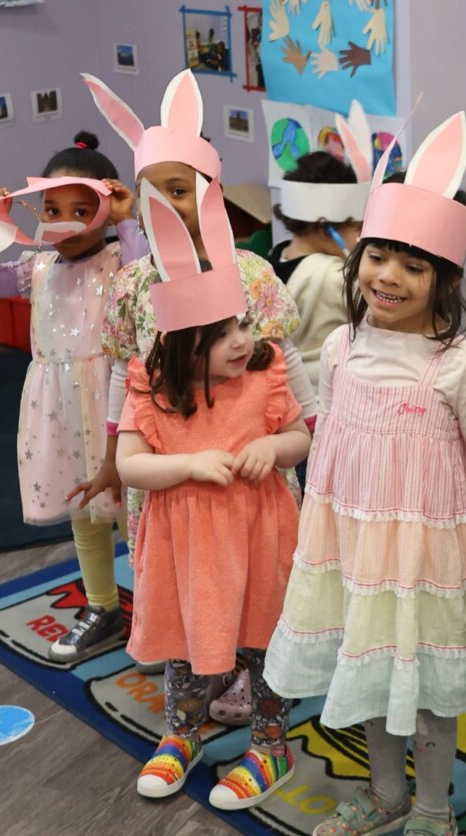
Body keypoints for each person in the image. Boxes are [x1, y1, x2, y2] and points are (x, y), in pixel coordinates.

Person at [264, 112, 466, 836]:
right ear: (355, 254)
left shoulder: (457, 366)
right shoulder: (338, 347)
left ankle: (434, 807)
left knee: (430, 692)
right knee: (369, 669)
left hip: (431, 557)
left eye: (414, 262)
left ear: (444, 278)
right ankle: (386, 792)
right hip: (356, 547)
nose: (389, 276)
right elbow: (333, 439)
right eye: (379, 254)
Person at [87, 69, 313, 710]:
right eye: (151, 193)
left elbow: (285, 364)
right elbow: (120, 375)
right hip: (173, 472)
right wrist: (112, 459)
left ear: (211, 192)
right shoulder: (133, 284)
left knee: (255, 581)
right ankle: (199, 671)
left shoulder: (251, 273)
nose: (167, 206)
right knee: (188, 582)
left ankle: (252, 675)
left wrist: (310, 439)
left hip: (251, 464)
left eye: (181, 191)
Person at [117, 161, 310, 805]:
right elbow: (129, 464)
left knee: (261, 642)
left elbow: (302, 438)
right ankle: (182, 734)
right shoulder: (150, 388)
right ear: (176, 345)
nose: (242, 341)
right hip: (188, 545)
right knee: (184, 642)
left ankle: (269, 742)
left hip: (259, 535)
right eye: (222, 334)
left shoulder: (266, 374)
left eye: (244, 325)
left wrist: (271, 446)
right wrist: (188, 466)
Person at [0, 132, 142, 663]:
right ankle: (103, 606)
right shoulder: (36, 268)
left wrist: (128, 220)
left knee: (135, 512)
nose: (66, 222)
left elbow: (151, 276)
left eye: (83, 210)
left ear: (104, 210)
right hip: (55, 407)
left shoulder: (120, 263)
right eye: (53, 209)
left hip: (114, 403)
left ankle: (153, 610)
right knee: (83, 508)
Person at [269, 102, 372, 393]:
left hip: (280, 392)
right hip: (322, 393)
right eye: (355, 227)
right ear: (325, 225)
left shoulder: (276, 254)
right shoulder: (335, 274)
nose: (360, 236)